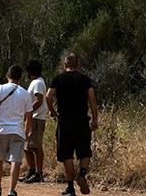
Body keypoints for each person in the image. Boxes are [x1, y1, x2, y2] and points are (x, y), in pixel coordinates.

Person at [46, 53, 98, 196]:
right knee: (85, 151)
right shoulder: (84, 79)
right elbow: (92, 100)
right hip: (82, 121)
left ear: (64, 65)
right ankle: (81, 174)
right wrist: (95, 118)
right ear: (77, 65)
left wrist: (52, 111)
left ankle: (70, 188)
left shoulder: (58, 79)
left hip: (64, 122)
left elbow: (48, 96)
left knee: (66, 154)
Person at [0, 65, 34, 196]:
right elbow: (29, 117)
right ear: (20, 78)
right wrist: (26, 133)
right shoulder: (25, 94)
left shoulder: (0, 88)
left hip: (1, 129)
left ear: (7, 76)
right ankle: (12, 190)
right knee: (16, 161)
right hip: (17, 131)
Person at [19, 59, 48, 184]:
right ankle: (31, 171)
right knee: (27, 147)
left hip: (36, 118)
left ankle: (39, 173)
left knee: (36, 147)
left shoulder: (37, 83)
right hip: (32, 118)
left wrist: (28, 112)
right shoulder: (36, 82)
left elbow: (39, 100)